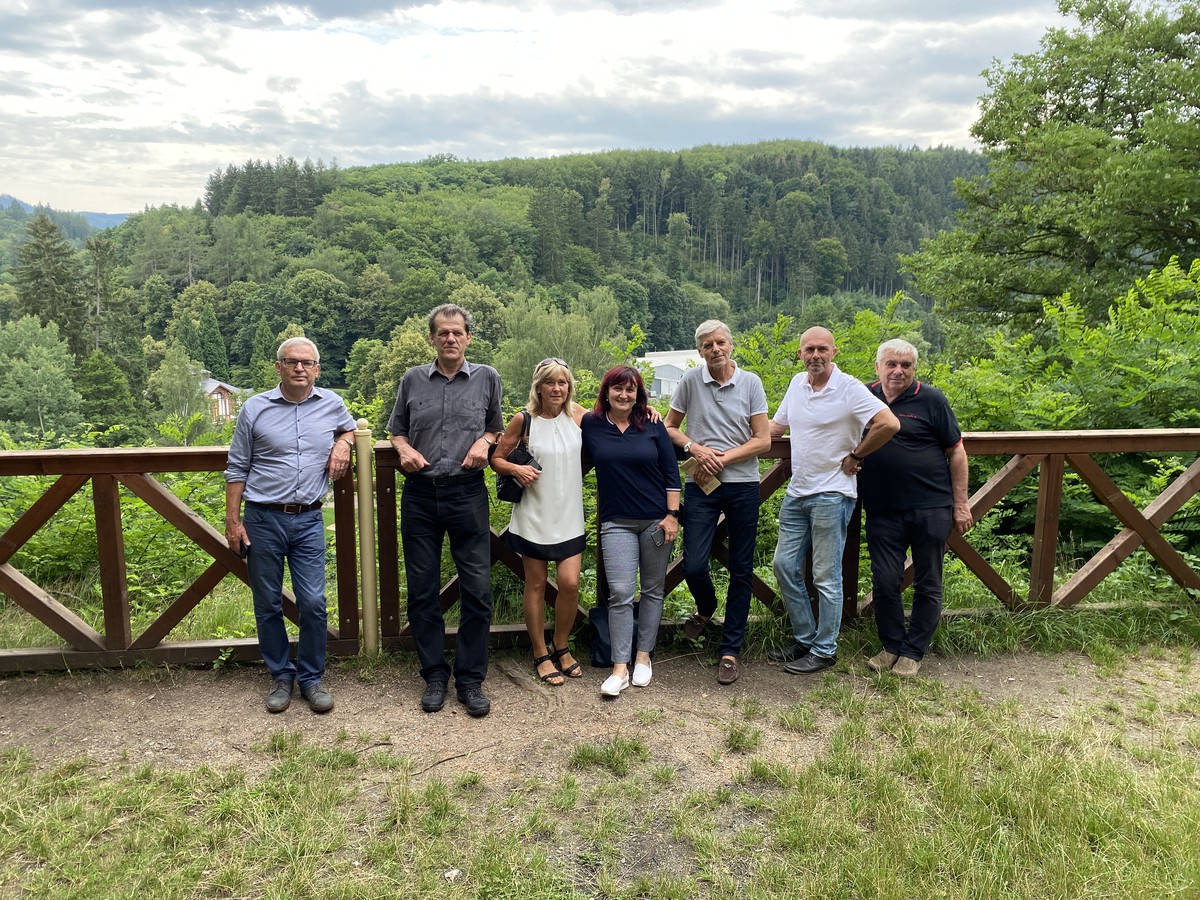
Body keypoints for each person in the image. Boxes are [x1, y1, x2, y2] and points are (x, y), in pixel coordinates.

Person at [225, 337, 356, 714]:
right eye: (292, 361)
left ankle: (312, 678)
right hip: (262, 518)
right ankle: (281, 676)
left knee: (313, 603)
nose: (300, 368)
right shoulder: (254, 408)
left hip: (310, 518)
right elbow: (237, 466)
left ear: (317, 369)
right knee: (267, 602)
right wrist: (233, 521)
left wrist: (344, 443)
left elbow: (349, 429)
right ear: (278, 366)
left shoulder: (332, 404)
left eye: (307, 362)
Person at [387, 304, 503, 718]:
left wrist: (485, 442)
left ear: (468, 337)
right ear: (432, 339)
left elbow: (496, 427)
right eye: (443, 333)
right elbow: (396, 431)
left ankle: (470, 679)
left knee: (477, 590)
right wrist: (402, 449)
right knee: (422, 590)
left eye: (457, 332)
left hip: (467, 493)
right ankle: (434, 675)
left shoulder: (487, 377)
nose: (450, 339)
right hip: (419, 494)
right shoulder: (412, 379)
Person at [769, 326, 900, 674]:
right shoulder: (796, 384)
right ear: (799, 354)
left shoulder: (849, 387)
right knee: (784, 566)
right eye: (809, 349)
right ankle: (805, 638)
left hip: (833, 493)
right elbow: (774, 429)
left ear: (833, 352)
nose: (815, 355)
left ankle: (825, 649)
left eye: (822, 349)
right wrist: (724, 440)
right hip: (797, 491)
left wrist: (857, 454)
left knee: (826, 576)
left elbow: (888, 423)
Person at [665, 320, 770, 685]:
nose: (715, 349)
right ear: (700, 351)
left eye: (720, 342)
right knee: (694, 563)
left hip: (743, 485)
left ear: (731, 345)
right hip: (701, 484)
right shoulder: (690, 381)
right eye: (708, 345)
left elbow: (763, 440)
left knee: (741, 568)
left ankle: (730, 649)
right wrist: (695, 448)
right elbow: (670, 427)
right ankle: (707, 606)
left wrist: (721, 459)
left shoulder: (751, 382)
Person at [859, 339, 972, 677]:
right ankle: (891, 645)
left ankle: (913, 651)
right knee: (884, 580)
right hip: (882, 507)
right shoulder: (863, 396)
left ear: (914, 369)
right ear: (878, 367)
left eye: (906, 365)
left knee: (928, 581)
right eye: (891, 364)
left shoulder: (932, 399)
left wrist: (961, 504)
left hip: (931, 506)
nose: (898, 371)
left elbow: (957, 451)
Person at [580, 365, 681, 698]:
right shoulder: (591, 423)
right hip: (616, 522)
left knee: (652, 590)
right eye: (617, 388)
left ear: (639, 395)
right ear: (606, 392)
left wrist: (672, 516)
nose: (624, 395)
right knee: (620, 593)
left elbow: (671, 474)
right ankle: (619, 668)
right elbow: (562, 407)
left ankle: (643, 657)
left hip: (656, 521)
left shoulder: (652, 424)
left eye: (631, 389)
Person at [491, 357, 586, 686]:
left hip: (570, 514)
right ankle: (540, 651)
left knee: (570, 583)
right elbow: (496, 459)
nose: (557, 388)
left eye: (562, 382)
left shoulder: (579, 416)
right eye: (550, 382)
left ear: (569, 387)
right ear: (539, 387)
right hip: (534, 513)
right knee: (536, 584)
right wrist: (516, 468)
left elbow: (619, 419)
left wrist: (650, 412)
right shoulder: (524, 420)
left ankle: (561, 644)